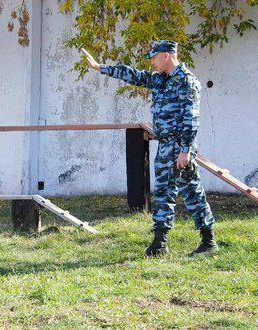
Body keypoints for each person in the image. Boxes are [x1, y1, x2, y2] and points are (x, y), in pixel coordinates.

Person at [81, 40, 218, 256]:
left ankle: (208, 241)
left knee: (191, 192)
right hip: (164, 146)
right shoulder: (159, 80)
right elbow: (133, 75)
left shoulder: (186, 81)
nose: (152, 62)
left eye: (154, 57)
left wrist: (185, 151)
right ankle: (160, 243)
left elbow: (191, 120)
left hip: (179, 147)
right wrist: (101, 67)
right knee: (163, 193)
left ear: (166, 55)